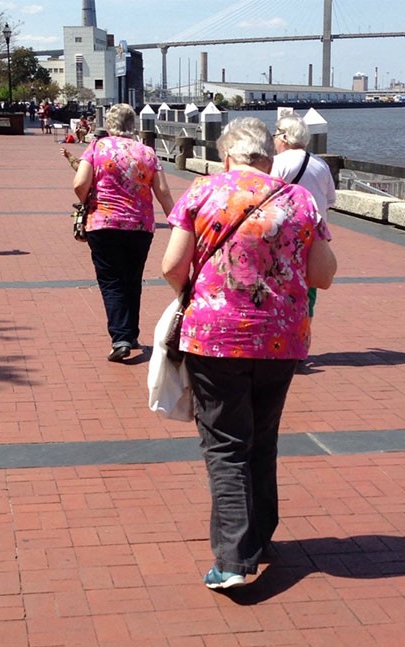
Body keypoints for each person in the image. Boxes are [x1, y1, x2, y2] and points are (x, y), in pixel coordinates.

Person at [161, 117, 337, 589]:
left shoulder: (203, 192)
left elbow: (171, 265)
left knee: (225, 443)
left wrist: (194, 296)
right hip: (282, 339)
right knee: (263, 435)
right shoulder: (301, 199)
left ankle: (235, 559)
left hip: (216, 337)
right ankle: (260, 536)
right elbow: (322, 274)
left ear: (227, 156)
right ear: (268, 155)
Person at [73, 103, 174, 362]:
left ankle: (120, 337)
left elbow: (80, 183)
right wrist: (175, 220)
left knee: (111, 281)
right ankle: (131, 333)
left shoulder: (96, 147)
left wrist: (87, 200)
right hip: (140, 226)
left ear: (109, 123)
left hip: (103, 223)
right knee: (132, 278)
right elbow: (162, 190)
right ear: (134, 125)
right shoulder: (147, 152)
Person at [270, 114, 337, 346]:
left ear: (285, 137)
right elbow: (330, 200)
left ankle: (281, 340)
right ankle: (302, 342)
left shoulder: (277, 164)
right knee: (308, 292)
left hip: (283, 238)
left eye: (276, 135)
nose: (274, 140)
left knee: (280, 288)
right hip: (315, 238)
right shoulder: (321, 165)